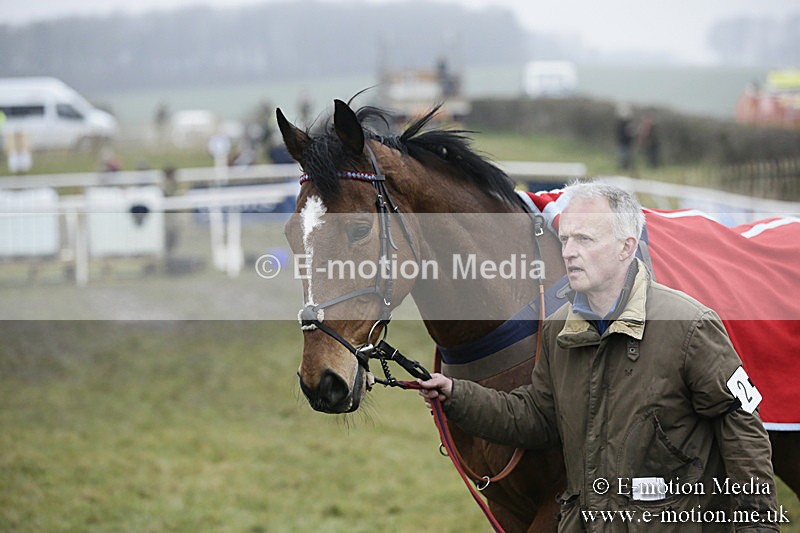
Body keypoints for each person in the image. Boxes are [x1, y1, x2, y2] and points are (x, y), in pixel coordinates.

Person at [419, 182, 779, 531]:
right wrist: (456, 394)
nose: (570, 251)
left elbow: (742, 431)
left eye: (585, 239)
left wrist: (759, 525)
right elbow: (535, 417)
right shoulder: (557, 329)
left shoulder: (691, 325)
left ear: (626, 247)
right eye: (566, 239)